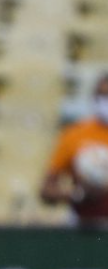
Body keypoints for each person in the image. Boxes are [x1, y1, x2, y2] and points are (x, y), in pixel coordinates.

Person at [41, 73, 108, 226]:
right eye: (103, 95)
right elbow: (46, 190)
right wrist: (79, 194)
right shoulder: (75, 134)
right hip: (84, 222)